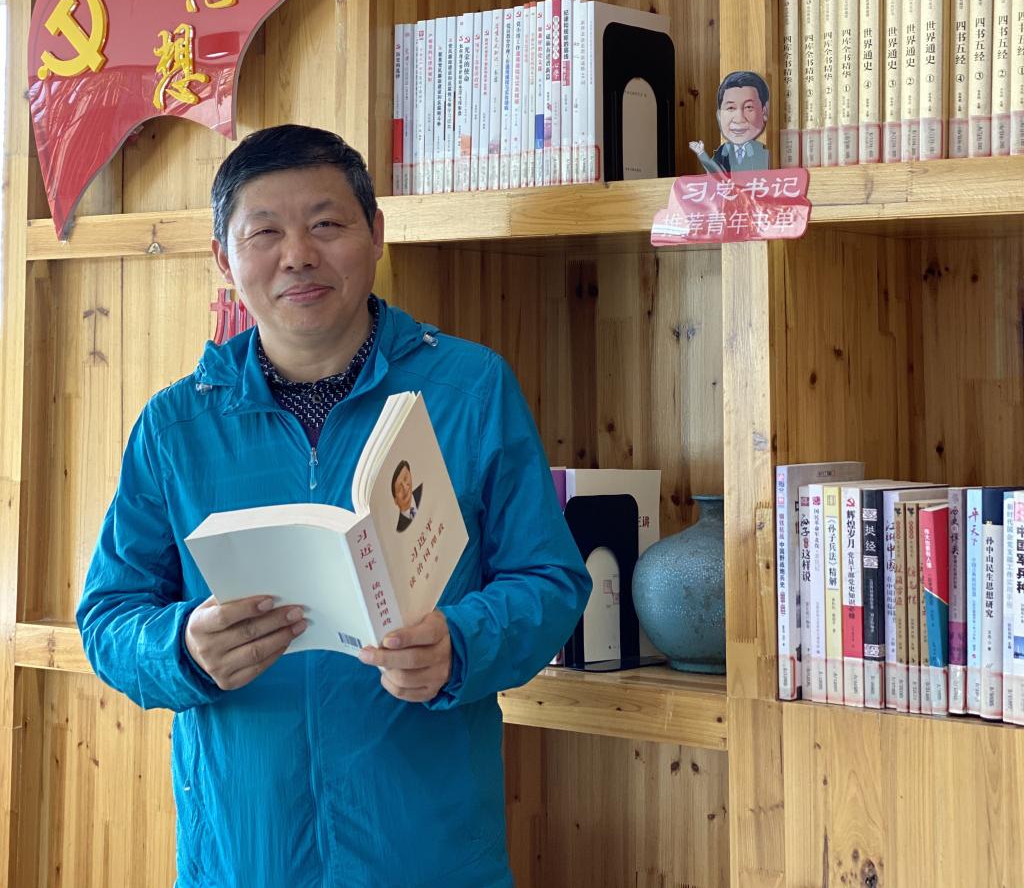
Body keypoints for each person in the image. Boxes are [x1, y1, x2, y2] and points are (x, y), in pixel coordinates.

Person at [77, 124, 591, 888]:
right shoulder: (175, 425)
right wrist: (182, 647)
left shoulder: (470, 389)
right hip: (242, 859)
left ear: (376, 233)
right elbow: (108, 616)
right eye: (265, 233)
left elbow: (551, 580)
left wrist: (461, 644)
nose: (297, 255)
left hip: (429, 856)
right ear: (224, 258)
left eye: (326, 223)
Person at [689, 70, 770, 174]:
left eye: (749, 107)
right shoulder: (722, 151)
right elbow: (716, 173)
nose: (739, 119)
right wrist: (701, 154)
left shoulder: (761, 150)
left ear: (764, 112)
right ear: (719, 115)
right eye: (731, 108)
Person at [391, 458, 423, 531]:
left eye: (405, 478)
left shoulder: (424, 488)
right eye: (399, 488)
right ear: (395, 500)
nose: (405, 488)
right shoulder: (400, 529)